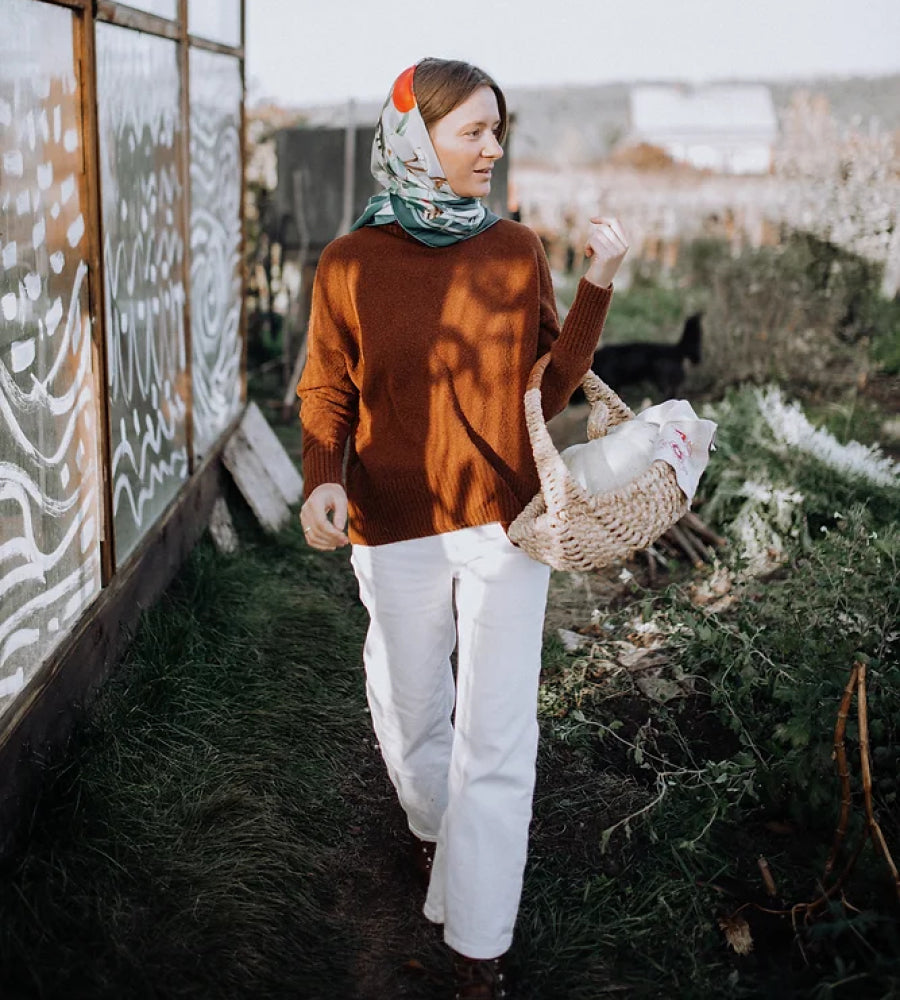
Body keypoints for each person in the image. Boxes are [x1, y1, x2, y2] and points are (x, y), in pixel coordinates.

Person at [297, 57, 628, 1000]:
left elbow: (548, 389)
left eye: (498, 130)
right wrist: (325, 478)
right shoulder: (349, 264)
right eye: (473, 132)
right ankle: (437, 832)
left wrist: (598, 282)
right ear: (416, 137)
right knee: (411, 715)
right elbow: (327, 388)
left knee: (499, 735)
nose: (493, 148)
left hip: (505, 523)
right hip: (393, 521)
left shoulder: (515, 250)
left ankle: (476, 947)